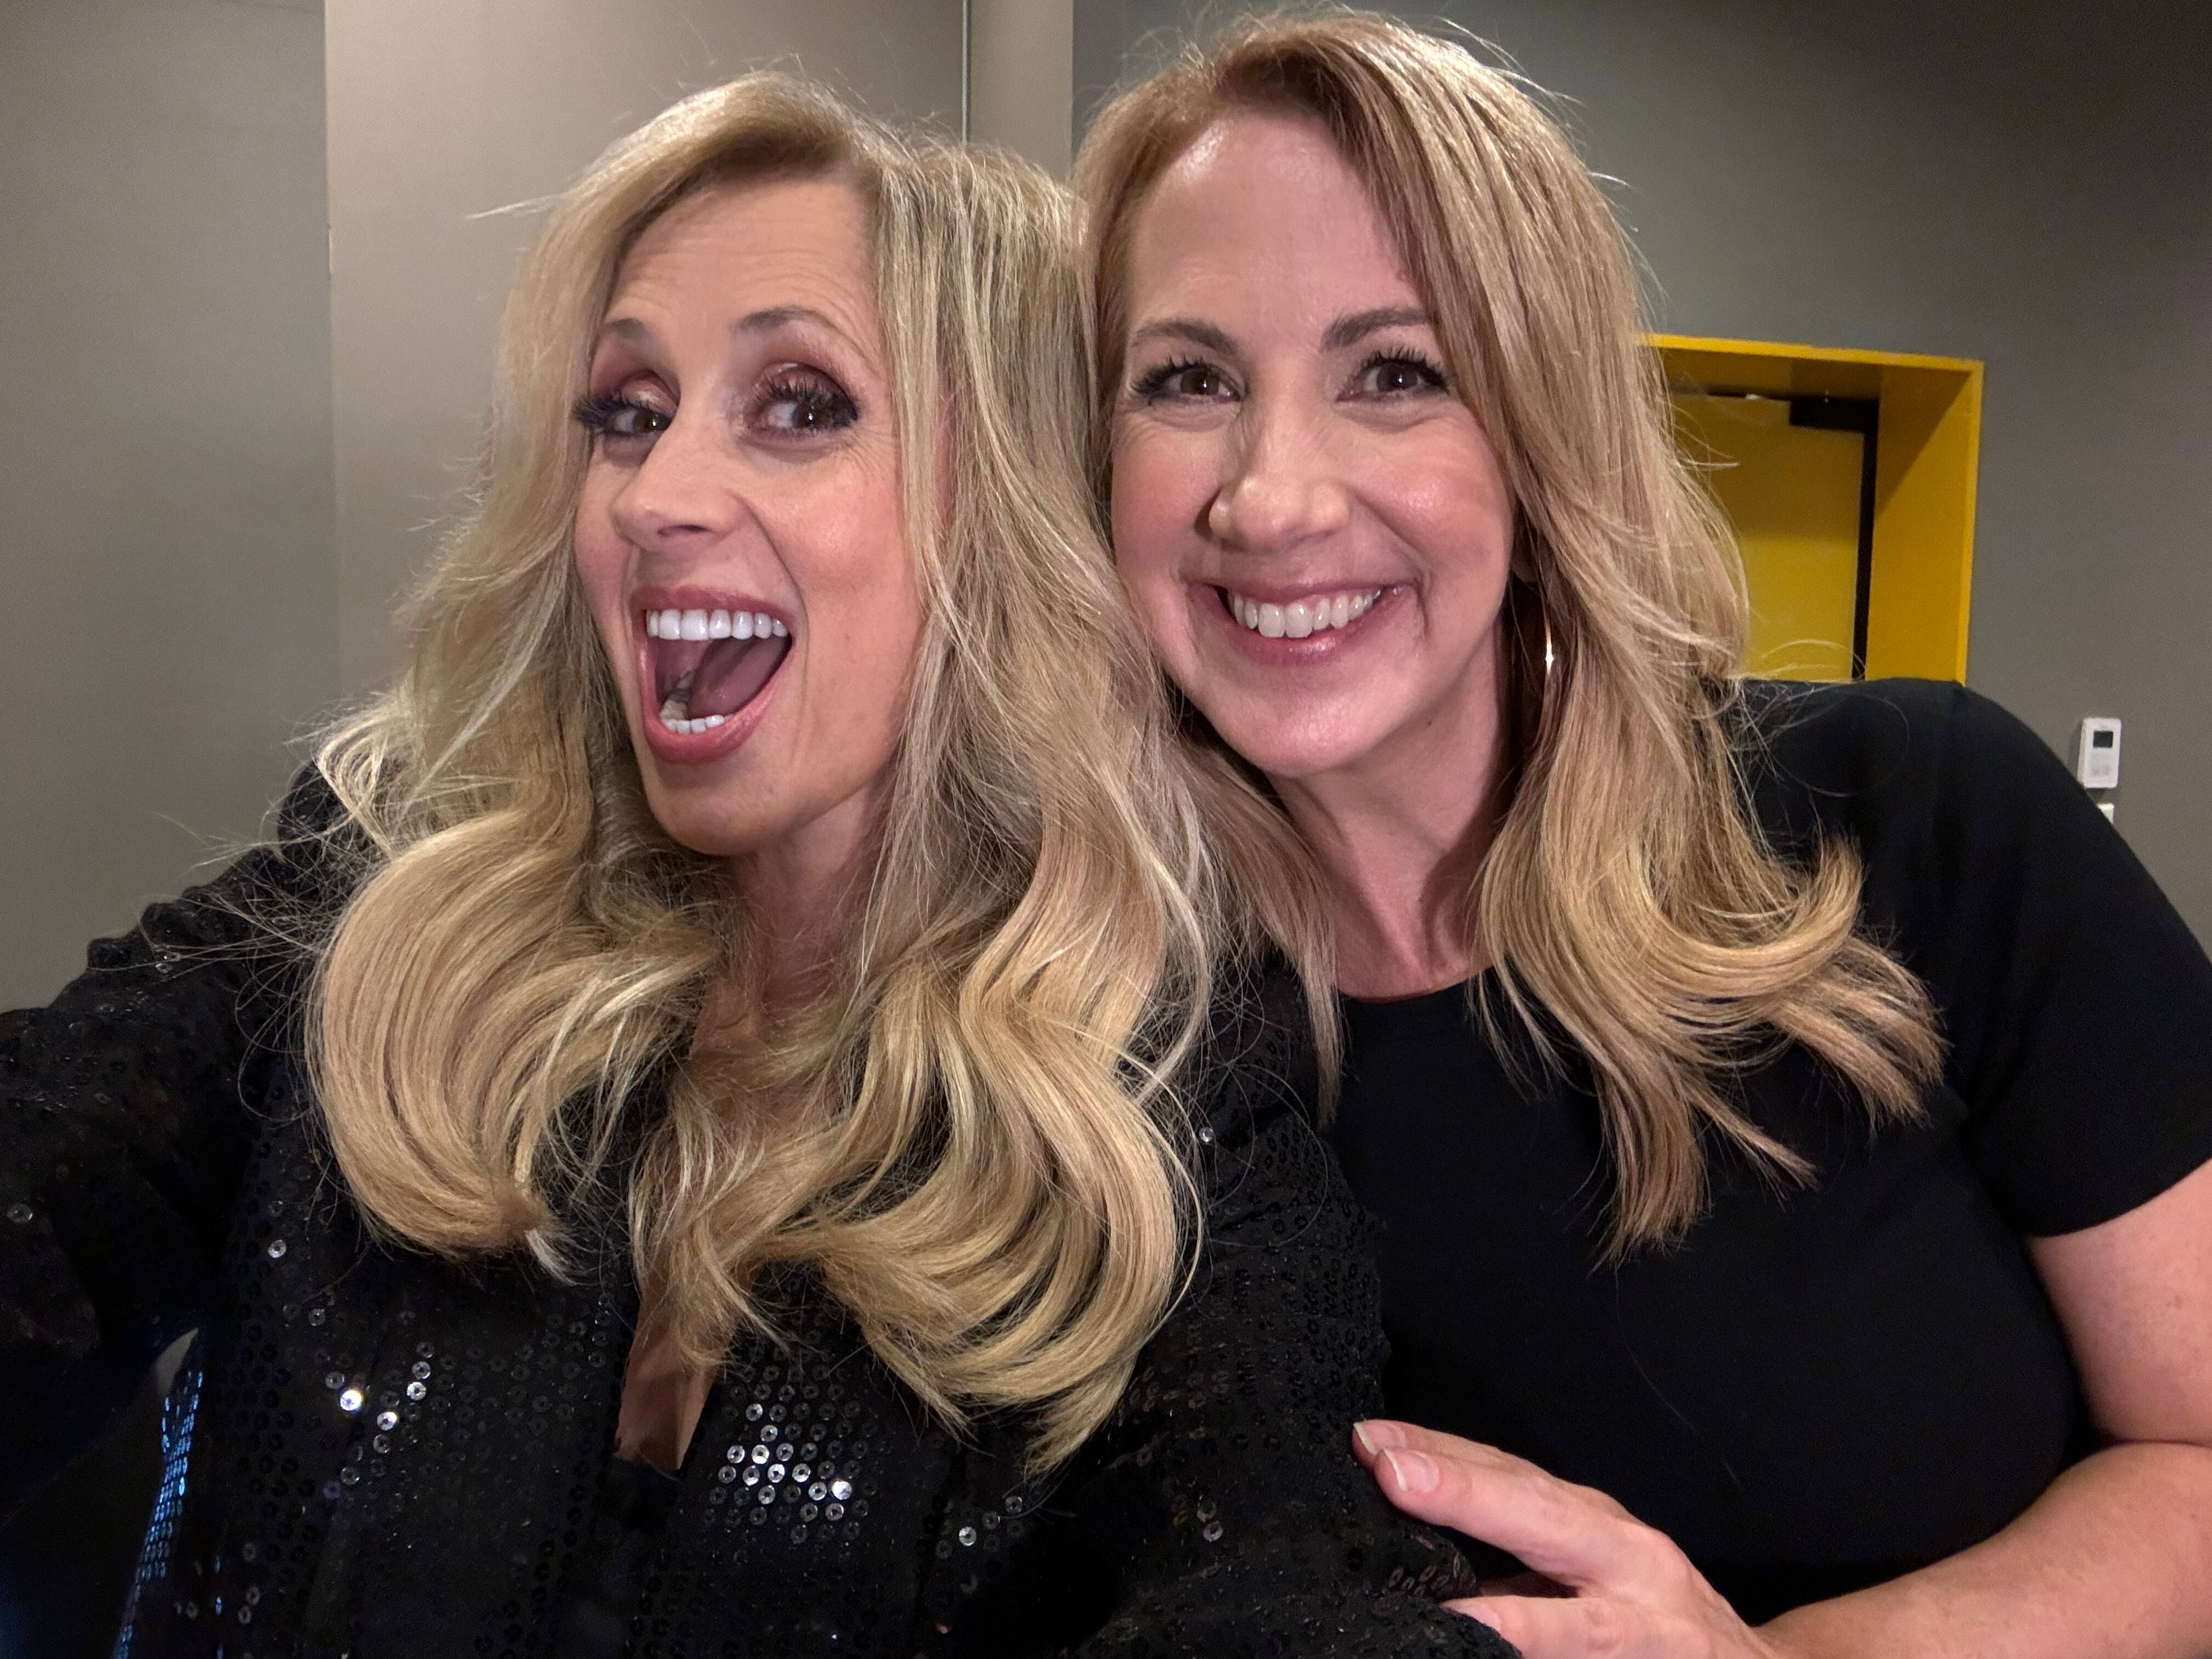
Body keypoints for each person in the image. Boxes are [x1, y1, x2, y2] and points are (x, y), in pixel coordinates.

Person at [0, 74, 1519, 1658]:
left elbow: (1271, 1581)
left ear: (1006, 510)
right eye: (628, 413)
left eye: (800, 405)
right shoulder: (366, 913)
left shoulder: (1181, 1149)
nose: (655, 498)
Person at [1077, 13, 2212, 1658]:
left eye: (1397, 373)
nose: (1272, 497)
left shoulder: (1921, 823)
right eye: (1188, 380)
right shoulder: (1107, 1039)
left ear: (1542, 438)